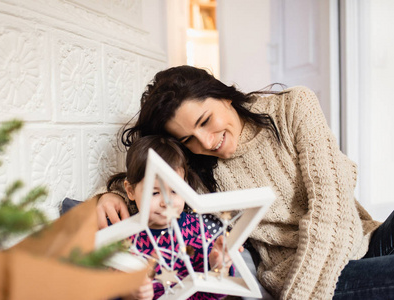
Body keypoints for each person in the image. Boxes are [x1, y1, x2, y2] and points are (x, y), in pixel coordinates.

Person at [93, 65, 394, 299]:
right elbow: (158, 180)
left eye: (205, 121)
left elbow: (333, 207)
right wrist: (113, 194)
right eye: (188, 140)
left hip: (362, 242)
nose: (207, 142)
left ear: (224, 95)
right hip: (303, 272)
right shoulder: (200, 169)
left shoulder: (293, 107)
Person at [108, 135, 236, 300]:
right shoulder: (123, 240)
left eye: (175, 190)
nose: (166, 203)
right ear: (130, 190)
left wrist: (219, 268)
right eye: (155, 193)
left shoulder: (201, 232)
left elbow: (216, 293)